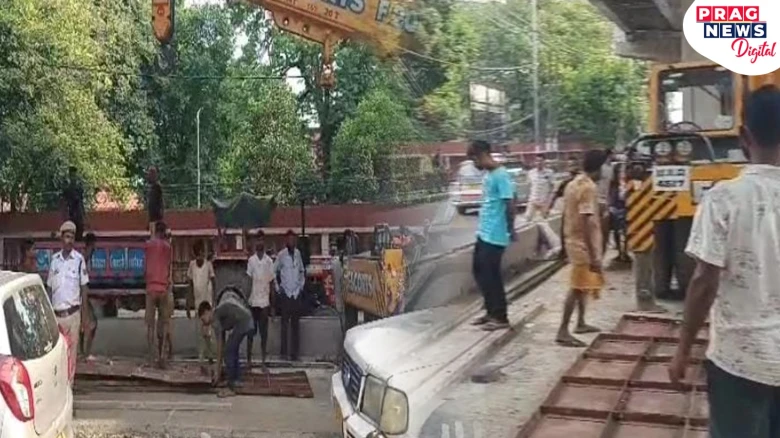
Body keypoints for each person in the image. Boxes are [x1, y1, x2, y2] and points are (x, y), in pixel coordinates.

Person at [669, 85, 780, 438]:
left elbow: (704, 281)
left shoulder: (724, 198)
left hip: (739, 362)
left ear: (744, 136)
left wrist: (683, 349)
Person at [555, 150, 604, 347]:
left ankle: (581, 322)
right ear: (599, 167)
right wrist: (594, 256)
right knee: (576, 288)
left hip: (572, 240)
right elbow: (585, 221)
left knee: (582, 286)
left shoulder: (572, 184)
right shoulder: (588, 188)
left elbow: (565, 215)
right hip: (582, 245)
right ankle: (563, 330)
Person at [467, 140, 517, 331]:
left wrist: (510, 229)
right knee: (479, 271)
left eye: (473, 160)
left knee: (492, 275)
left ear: (481, 155)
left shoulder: (501, 175)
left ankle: (500, 316)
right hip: (484, 232)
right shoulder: (489, 175)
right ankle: (490, 311)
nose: (474, 164)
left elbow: (510, 204)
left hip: (495, 234)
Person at [47, 221, 90, 372]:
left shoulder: (79, 261)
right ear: (62, 239)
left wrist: (84, 318)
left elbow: (84, 289)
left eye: (72, 237)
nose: (69, 240)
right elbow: (49, 289)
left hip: (73, 316)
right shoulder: (54, 261)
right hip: (56, 316)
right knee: (57, 356)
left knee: (72, 357)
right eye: (67, 237)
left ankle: (68, 389)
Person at [203, 287, 254, 398]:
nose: (205, 323)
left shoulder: (215, 316)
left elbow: (220, 347)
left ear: (208, 312)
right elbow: (223, 339)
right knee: (232, 349)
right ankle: (236, 379)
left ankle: (231, 386)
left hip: (244, 322)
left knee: (229, 351)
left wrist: (217, 372)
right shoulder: (220, 311)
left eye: (203, 319)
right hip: (248, 319)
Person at [144, 221, 172, 368]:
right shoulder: (168, 247)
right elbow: (168, 264)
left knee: (150, 325)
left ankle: (151, 357)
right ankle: (162, 356)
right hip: (163, 287)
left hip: (151, 287)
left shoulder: (148, 245)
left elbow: (146, 264)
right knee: (164, 323)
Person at [274, 230, 305, 361]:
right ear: (286, 241)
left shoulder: (298, 254)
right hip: (286, 294)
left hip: (296, 294)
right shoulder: (281, 255)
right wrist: (277, 288)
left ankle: (294, 354)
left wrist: (301, 286)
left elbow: (302, 271)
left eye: (293, 239)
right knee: (284, 325)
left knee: (295, 326)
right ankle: (283, 354)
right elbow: (273, 272)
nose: (291, 242)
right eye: (289, 239)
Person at [245, 231, 274, 369]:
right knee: (250, 331)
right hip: (253, 300)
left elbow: (272, 283)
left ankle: (263, 360)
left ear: (264, 242)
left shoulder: (269, 262)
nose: (259, 243)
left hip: (264, 301)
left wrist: (272, 305)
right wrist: (246, 300)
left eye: (261, 240)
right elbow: (248, 281)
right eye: (257, 241)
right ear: (255, 243)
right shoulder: (251, 261)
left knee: (264, 333)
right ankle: (249, 360)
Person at [187, 240, 216, 368]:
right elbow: (189, 286)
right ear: (195, 255)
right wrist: (188, 305)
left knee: (208, 331)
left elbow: (214, 282)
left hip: (207, 303)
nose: (200, 257)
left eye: (202, 254)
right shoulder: (192, 265)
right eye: (198, 254)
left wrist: (214, 301)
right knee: (200, 333)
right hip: (198, 303)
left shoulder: (209, 265)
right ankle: (202, 357)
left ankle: (210, 355)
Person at [548, 166, 579, 261]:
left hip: (577, 211)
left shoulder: (582, 184)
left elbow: (555, 195)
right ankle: (565, 253)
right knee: (566, 232)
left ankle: (569, 253)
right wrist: (549, 206)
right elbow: (556, 194)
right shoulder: (566, 183)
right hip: (570, 211)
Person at [79, 232, 98, 361]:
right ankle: (85, 353)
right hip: (80, 297)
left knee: (83, 326)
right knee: (92, 324)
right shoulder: (82, 259)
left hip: (79, 297)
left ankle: (82, 352)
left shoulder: (82, 258)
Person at [525, 154, 555, 222]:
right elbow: (529, 186)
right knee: (527, 218)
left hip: (544, 201)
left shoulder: (549, 173)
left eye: (541, 161)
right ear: (535, 162)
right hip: (533, 200)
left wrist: (549, 200)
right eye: (537, 161)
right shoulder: (531, 173)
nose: (539, 163)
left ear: (544, 162)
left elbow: (552, 187)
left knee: (546, 220)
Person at [597, 149, 615, 254]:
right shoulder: (601, 168)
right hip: (598, 199)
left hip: (606, 199)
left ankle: (605, 244)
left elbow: (611, 184)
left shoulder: (611, 168)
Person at [61, 166, 85, 242]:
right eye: (72, 175)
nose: (73, 177)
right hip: (70, 211)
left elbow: (80, 200)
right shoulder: (67, 187)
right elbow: (65, 199)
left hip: (78, 211)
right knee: (70, 230)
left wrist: (83, 212)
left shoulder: (79, 186)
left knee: (80, 228)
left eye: (74, 175)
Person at [146, 166, 164, 236]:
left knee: (154, 236)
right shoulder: (152, 187)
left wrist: (160, 214)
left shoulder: (157, 186)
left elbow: (160, 202)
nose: (148, 176)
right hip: (153, 217)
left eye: (150, 174)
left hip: (156, 217)